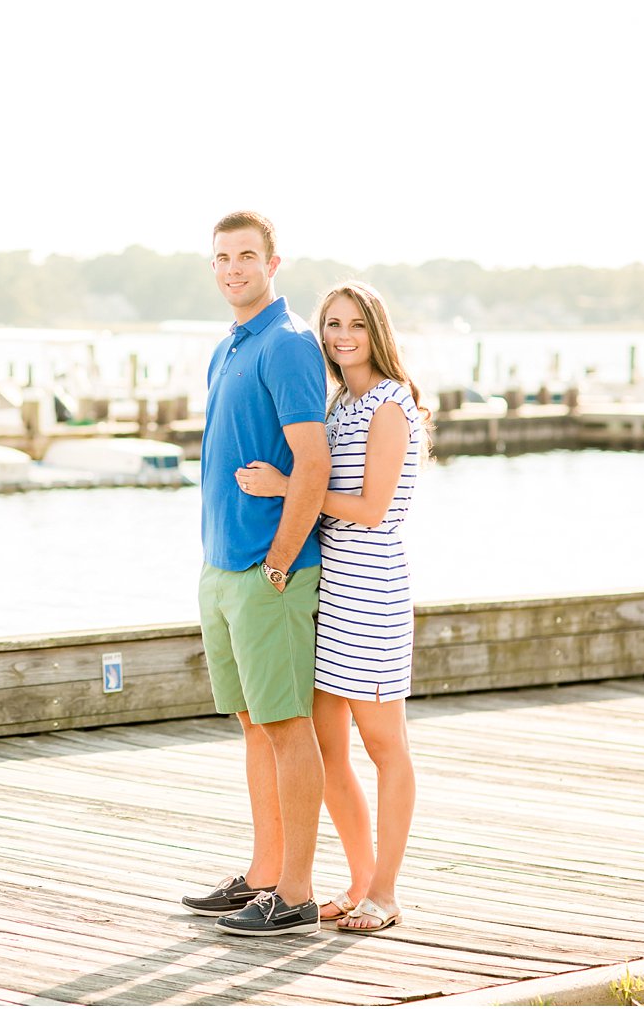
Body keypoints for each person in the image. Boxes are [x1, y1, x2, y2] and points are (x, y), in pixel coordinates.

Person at [234, 280, 428, 934]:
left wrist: (292, 487)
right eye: (332, 325)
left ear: (377, 331)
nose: (342, 336)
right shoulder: (342, 401)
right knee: (328, 748)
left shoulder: (390, 405)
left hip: (373, 594)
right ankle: (357, 880)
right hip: (330, 594)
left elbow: (373, 510)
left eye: (355, 324)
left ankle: (388, 892)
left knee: (385, 746)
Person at [180, 211, 331, 937]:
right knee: (253, 726)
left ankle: (296, 892)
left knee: (285, 725)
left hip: (268, 573)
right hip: (221, 569)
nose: (233, 267)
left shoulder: (289, 344)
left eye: (247, 256)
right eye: (222, 257)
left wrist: (277, 561)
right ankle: (263, 875)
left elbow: (315, 461)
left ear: (274, 264)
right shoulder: (229, 347)